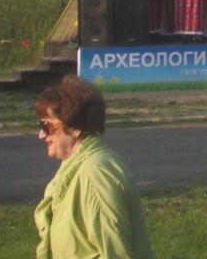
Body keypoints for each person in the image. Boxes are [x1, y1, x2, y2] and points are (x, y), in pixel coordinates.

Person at [34, 76, 153, 258]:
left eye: (47, 126)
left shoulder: (95, 174)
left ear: (75, 128)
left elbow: (116, 252)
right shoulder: (76, 166)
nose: (41, 135)